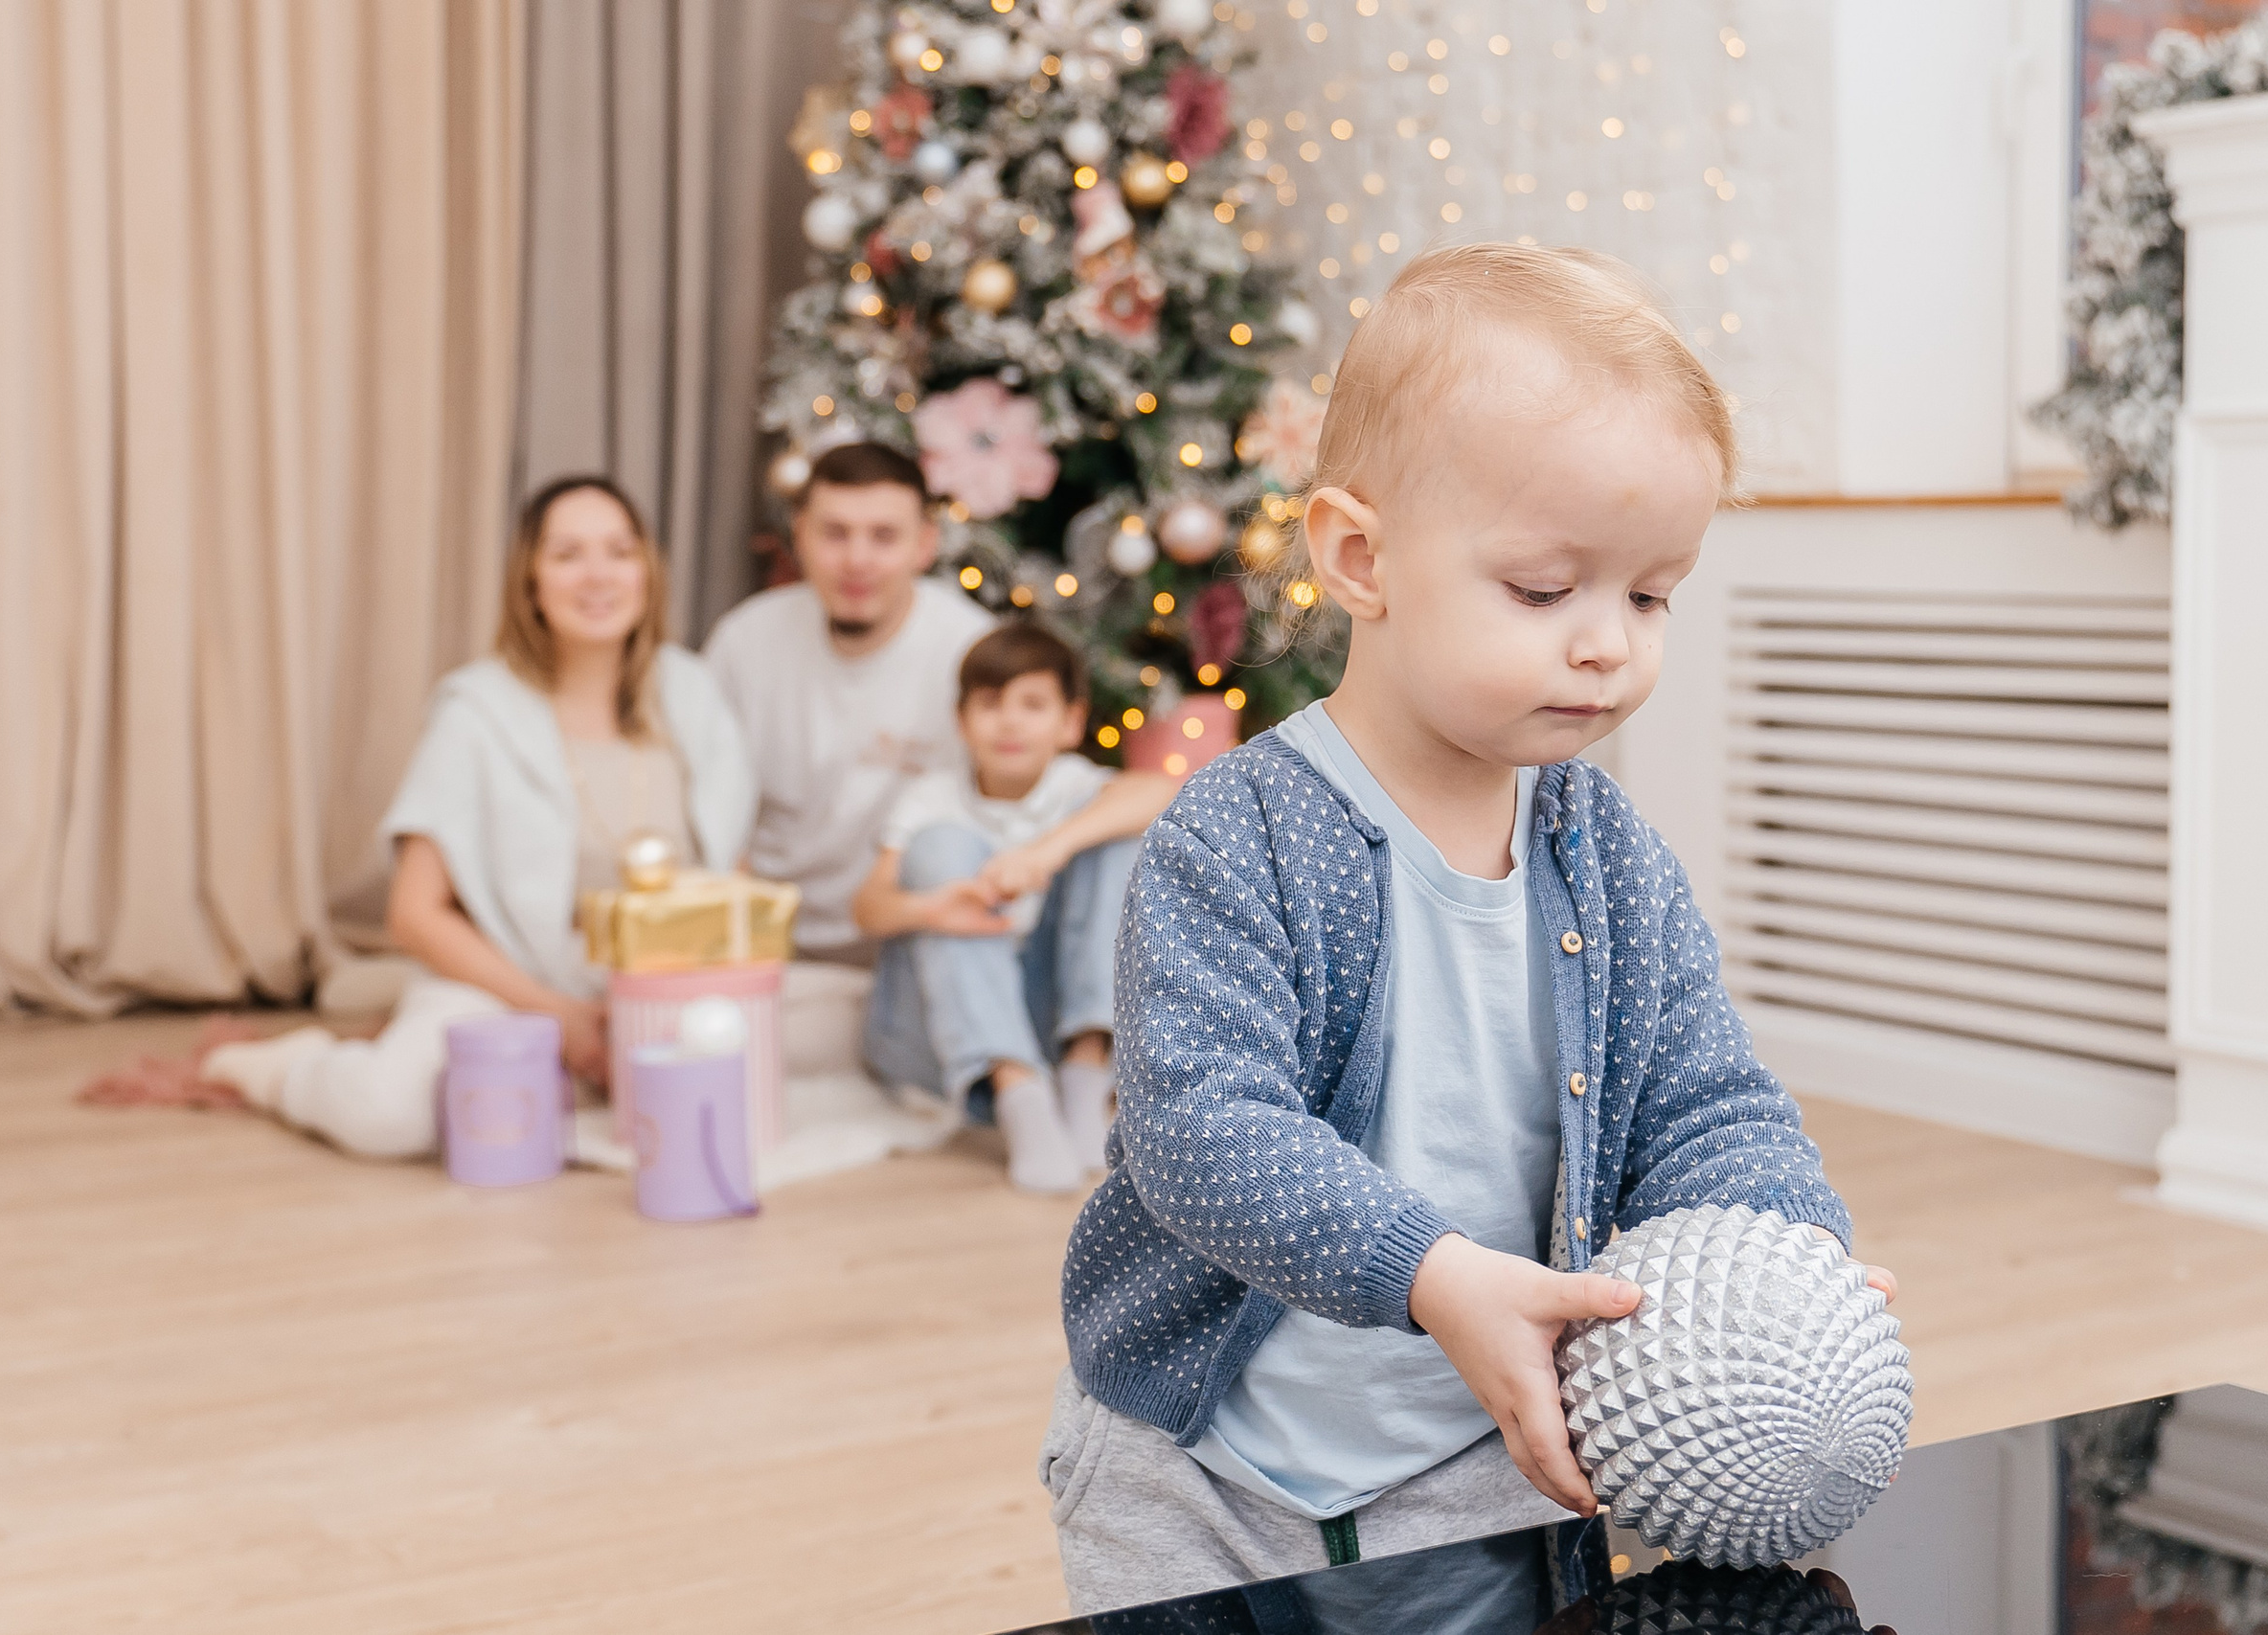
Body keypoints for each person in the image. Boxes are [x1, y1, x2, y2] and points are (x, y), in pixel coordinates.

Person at [1038, 245, 1901, 1616]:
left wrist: (1778, 1240)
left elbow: (1708, 1095)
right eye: (1547, 589)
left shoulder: (1609, 856)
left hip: (1486, 1456)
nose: (1607, 644)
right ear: (1361, 558)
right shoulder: (1236, 836)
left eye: (1651, 593)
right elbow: (1199, 1128)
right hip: (1206, 1474)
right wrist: (1431, 1274)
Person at [90, 475, 757, 1156]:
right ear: (530, 582)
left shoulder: (692, 695)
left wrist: (662, 999)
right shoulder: (477, 712)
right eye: (567, 554)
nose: (598, 575)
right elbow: (414, 913)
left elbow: (730, 877)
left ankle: (416, 1021)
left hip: (652, 985)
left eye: (619, 551)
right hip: (509, 980)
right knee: (389, 1116)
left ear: (647, 571)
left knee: (820, 1041)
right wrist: (559, 1016)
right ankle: (276, 1065)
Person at [850, 623, 1177, 1193]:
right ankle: (1015, 1088)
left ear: (1071, 723)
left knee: (1122, 834)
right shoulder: (932, 796)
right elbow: (868, 908)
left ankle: (1086, 1070)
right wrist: (934, 909)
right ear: (961, 721)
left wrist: (1047, 851)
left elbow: (1163, 792)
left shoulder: (1075, 786)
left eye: (1032, 704)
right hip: (934, 1032)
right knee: (940, 846)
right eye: (990, 703)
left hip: (1044, 1016)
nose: (1009, 721)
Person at [702, 443, 995, 963]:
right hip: (764, 943)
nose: (856, 560)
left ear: (925, 545)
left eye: (884, 537)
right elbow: (710, 817)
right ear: (800, 535)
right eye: (834, 533)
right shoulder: (743, 641)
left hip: (909, 948)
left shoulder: (972, 652)